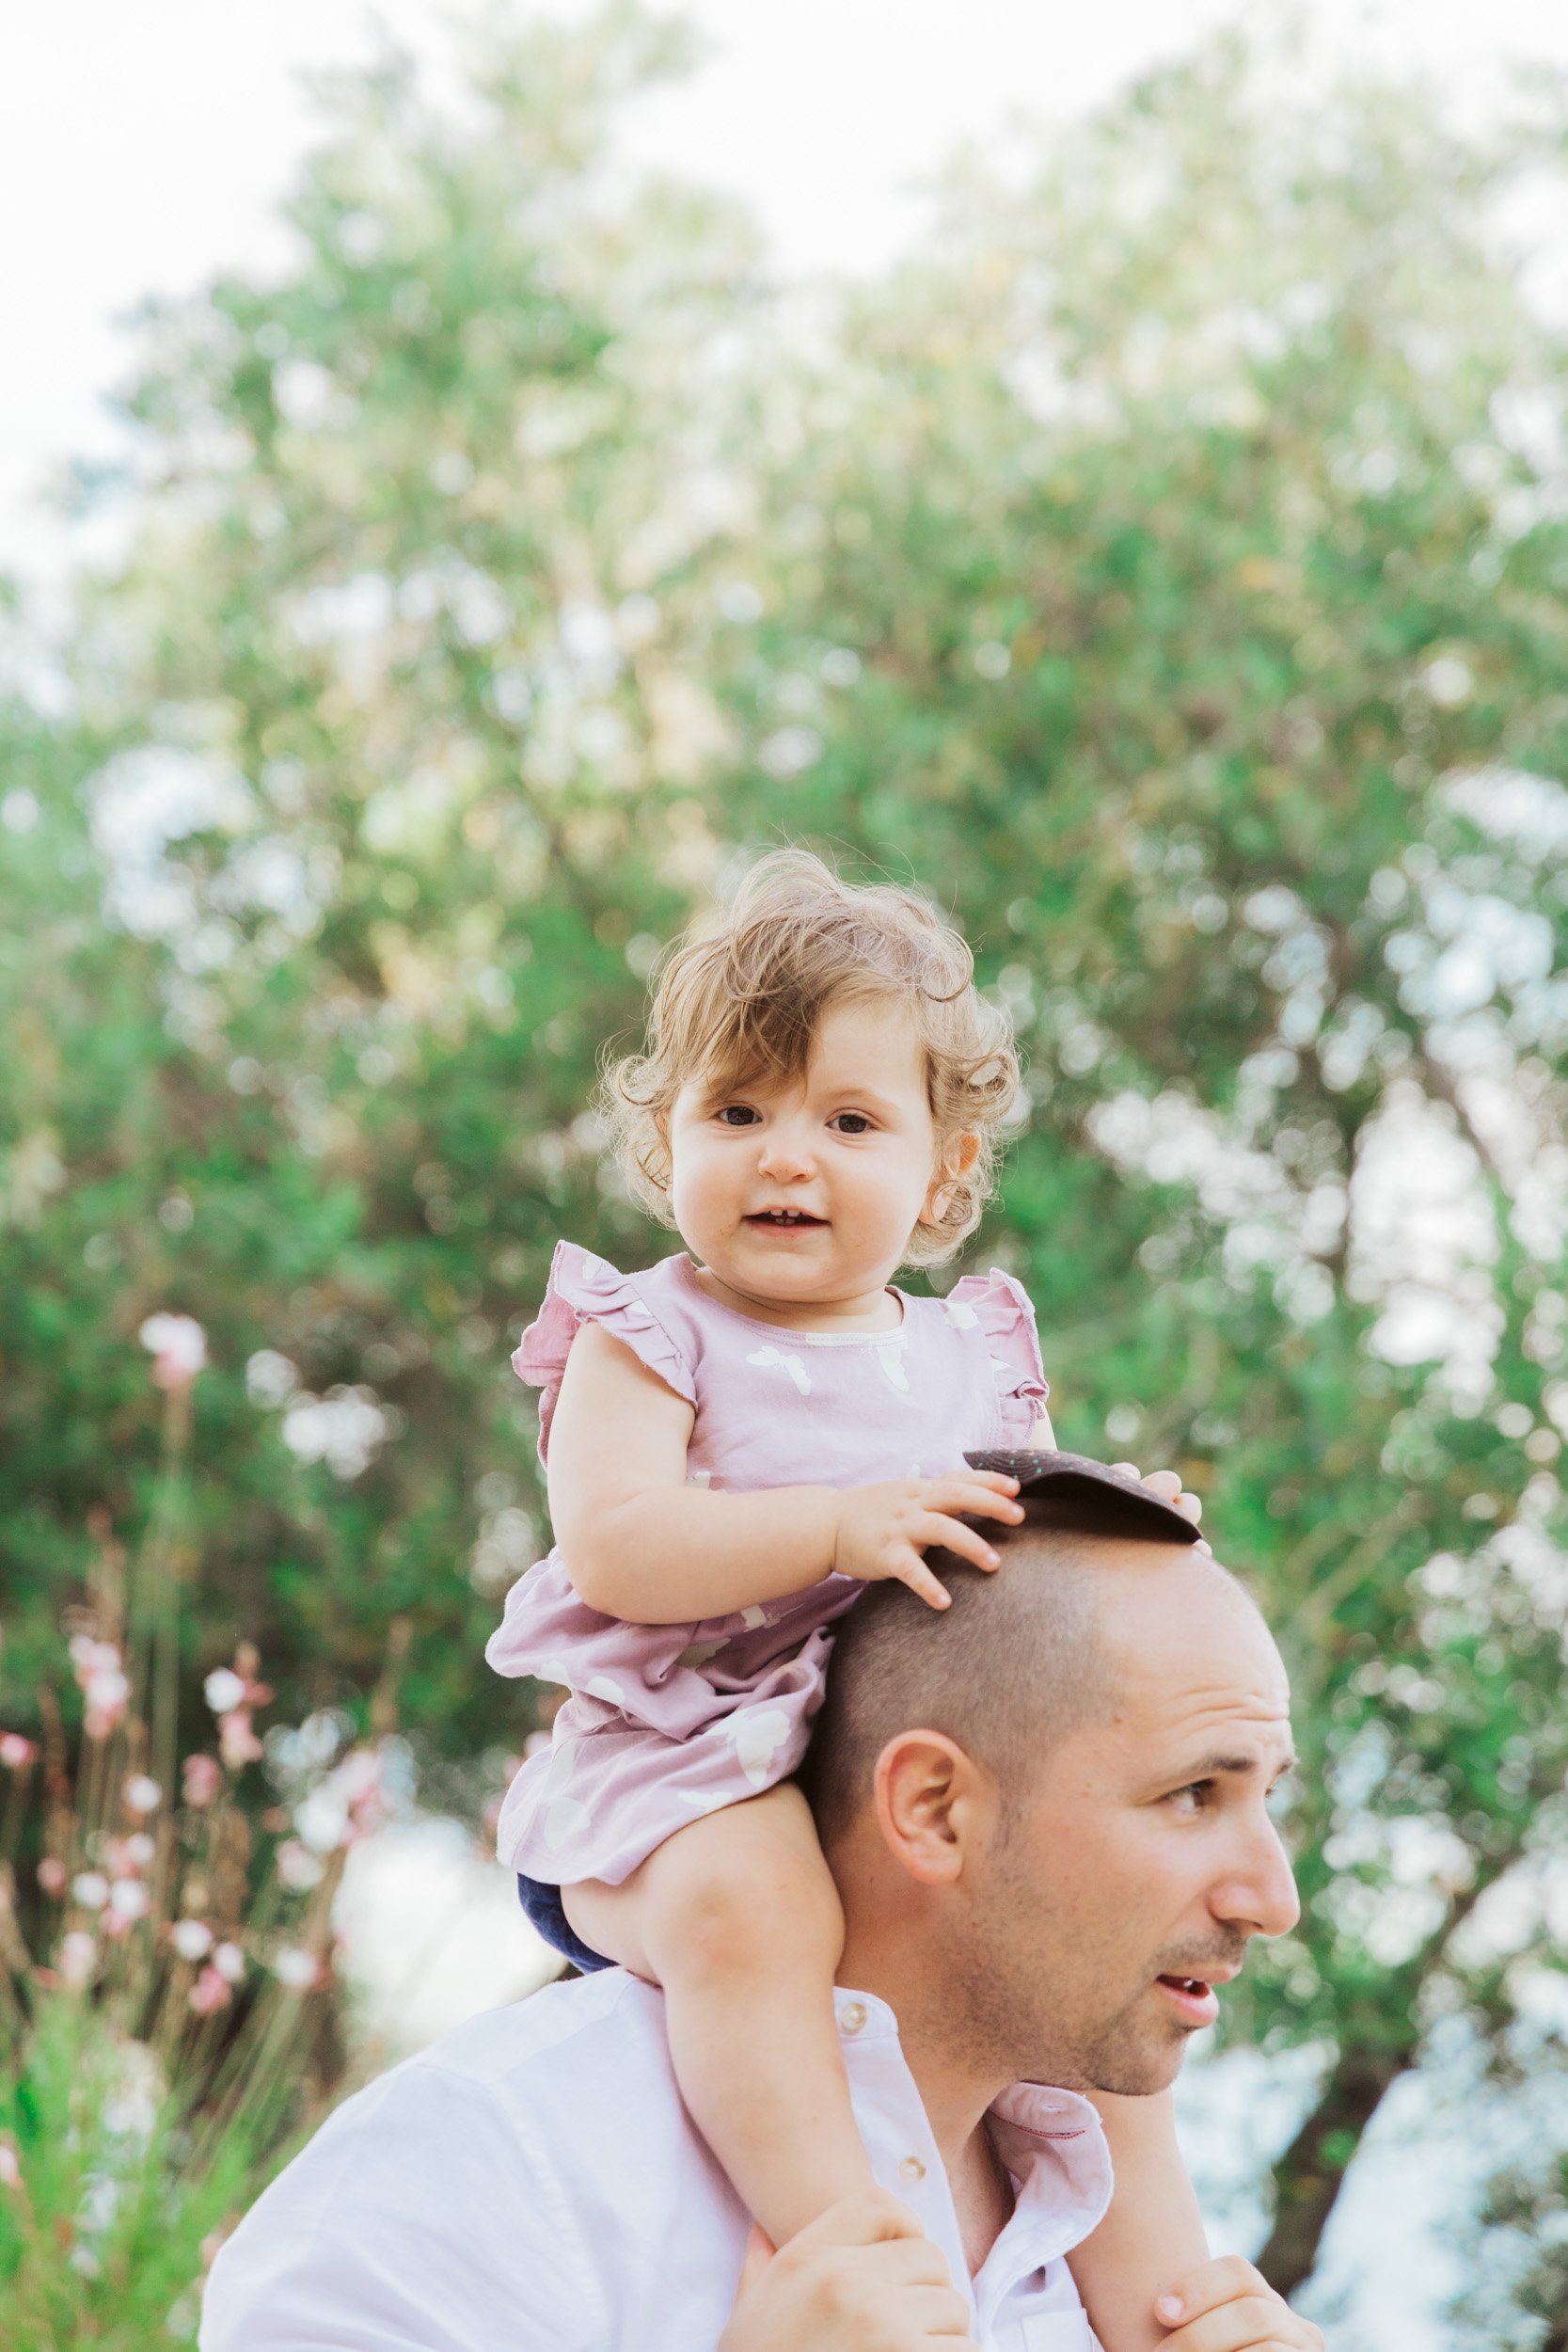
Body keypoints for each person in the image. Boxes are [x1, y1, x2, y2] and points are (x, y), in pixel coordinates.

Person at [480, 852, 1208, 2341]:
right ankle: (851, 2248)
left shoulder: (966, 1351)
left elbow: (1014, 1572)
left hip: (880, 1773)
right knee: (755, 1911)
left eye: (847, 1119)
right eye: (734, 1113)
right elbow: (616, 1544)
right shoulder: (647, 1330)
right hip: (684, 1772)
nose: (782, 1156)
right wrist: (831, 1523)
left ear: (941, 1170)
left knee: (1081, 1945)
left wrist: (1121, 1529)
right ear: (665, 1140)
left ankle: (1173, 2299)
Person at [200, 1460, 1322, 2352]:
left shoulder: (1126, 2265)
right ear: (932, 1808)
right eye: (1190, 1794)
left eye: (1262, 1800)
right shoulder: (485, 2163)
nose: (1270, 1899)